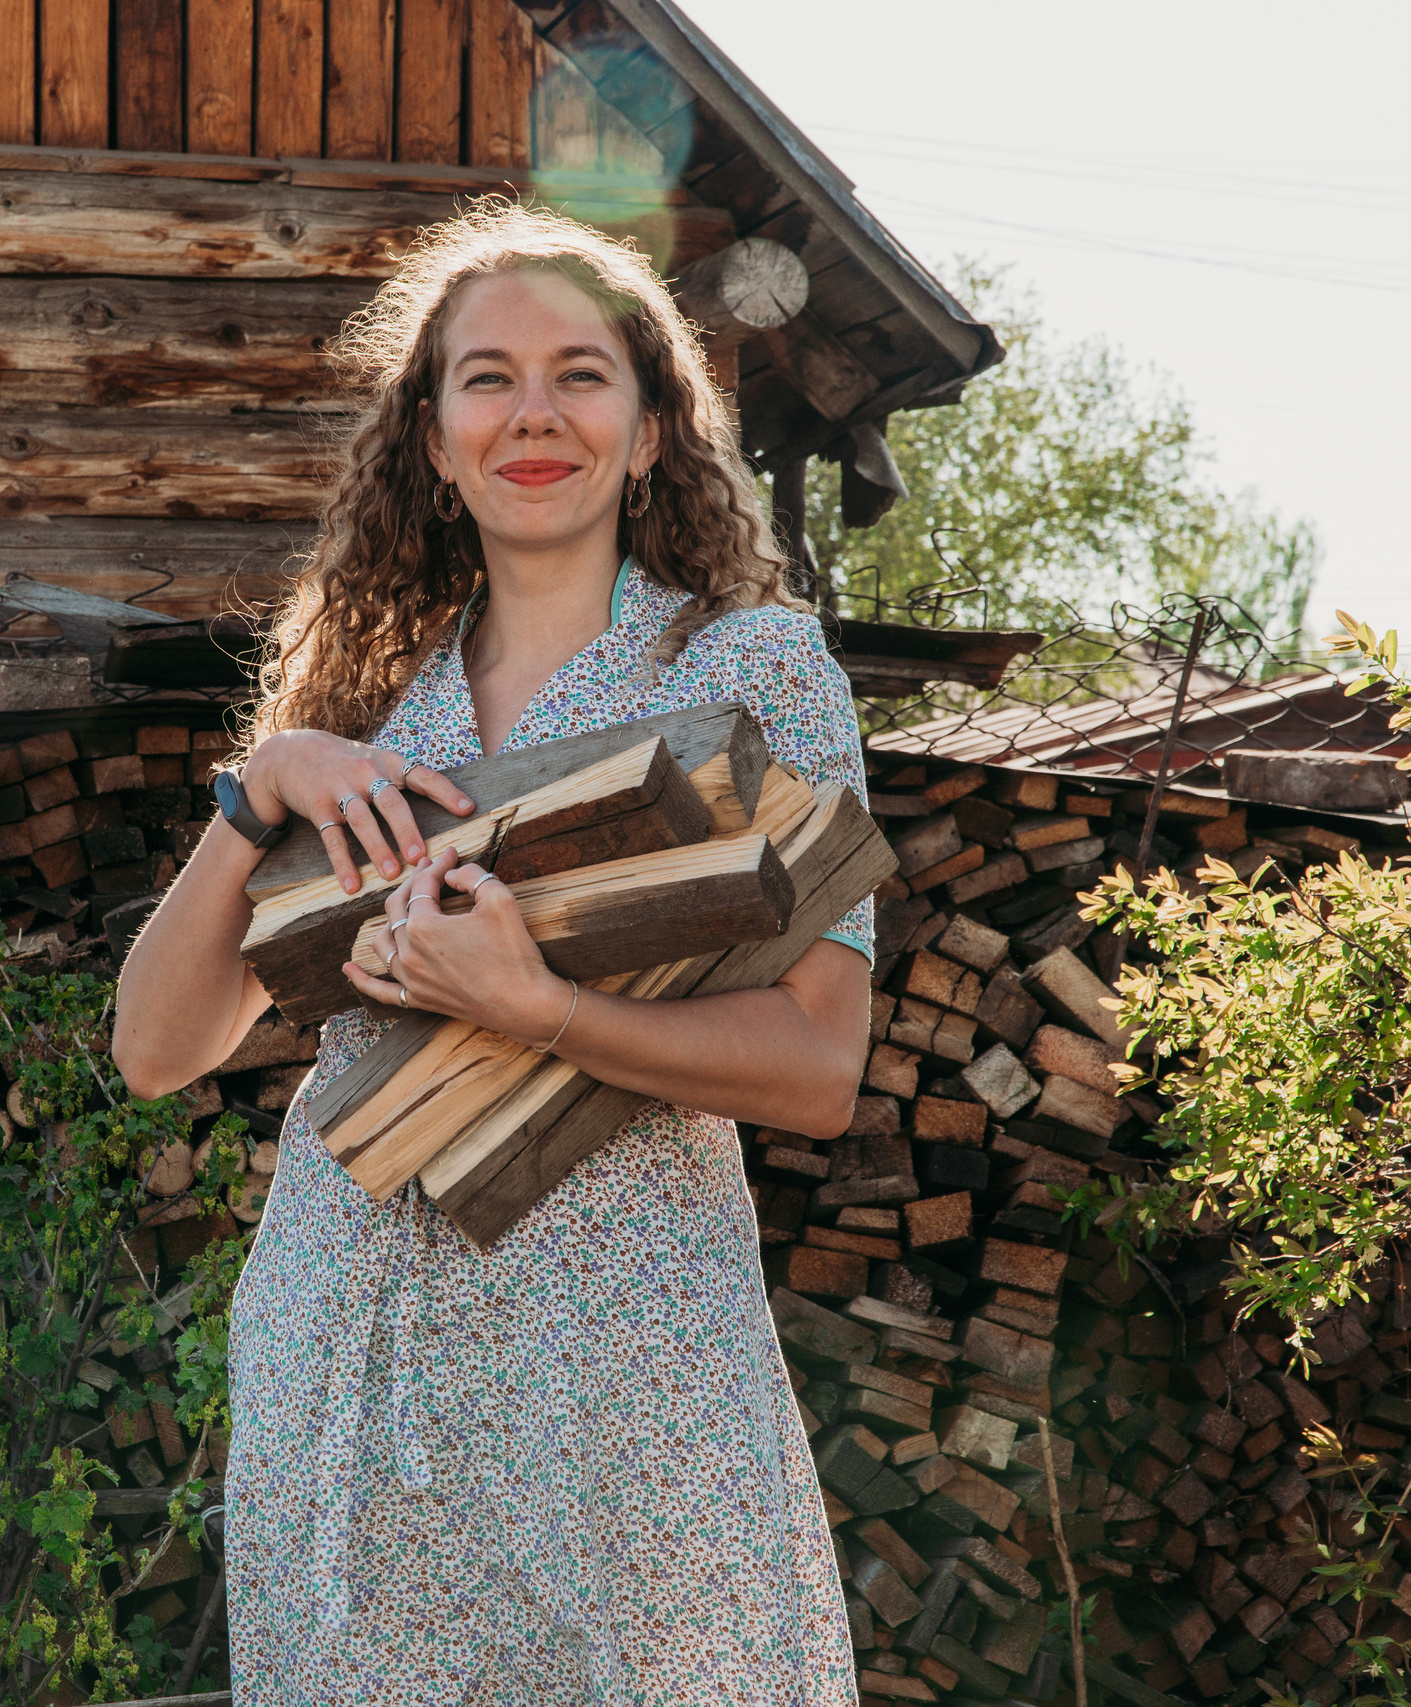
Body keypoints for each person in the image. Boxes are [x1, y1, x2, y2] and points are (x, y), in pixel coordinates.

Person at [113, 200, 873, 1704]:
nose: (536, 413)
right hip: (354, 1356)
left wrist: (535, 1004)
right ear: (435, 436)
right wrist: (262, 784)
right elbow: (156, 1050)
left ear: (654, 429)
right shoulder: (371, 706)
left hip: (627, 1370)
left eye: (583, 374)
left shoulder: (747, 671)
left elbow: (820, 1065)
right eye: (488, 378)